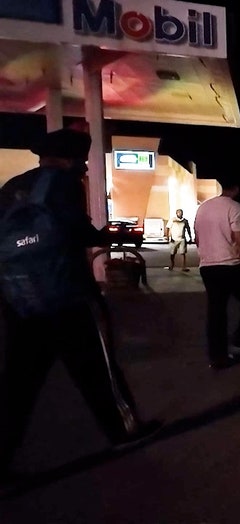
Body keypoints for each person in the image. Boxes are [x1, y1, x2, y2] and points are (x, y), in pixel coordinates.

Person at [0, 128, 160, 483]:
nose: (85, 167)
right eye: (82, 160)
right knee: (98, 371)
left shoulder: (12, 187)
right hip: (68, 297)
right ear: (70, 159)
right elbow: (78, 232)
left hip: (20, 302)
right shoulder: (62, 184)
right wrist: (114, 235)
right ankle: (124, 432)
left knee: (17, 385)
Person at [194, 173, 240, 368]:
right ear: (237, 189)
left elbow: (198, 238)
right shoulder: (235, 207)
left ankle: (218, 356)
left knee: (216, 310)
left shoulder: (203, 208)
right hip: (231, 265)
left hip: (208, 267)